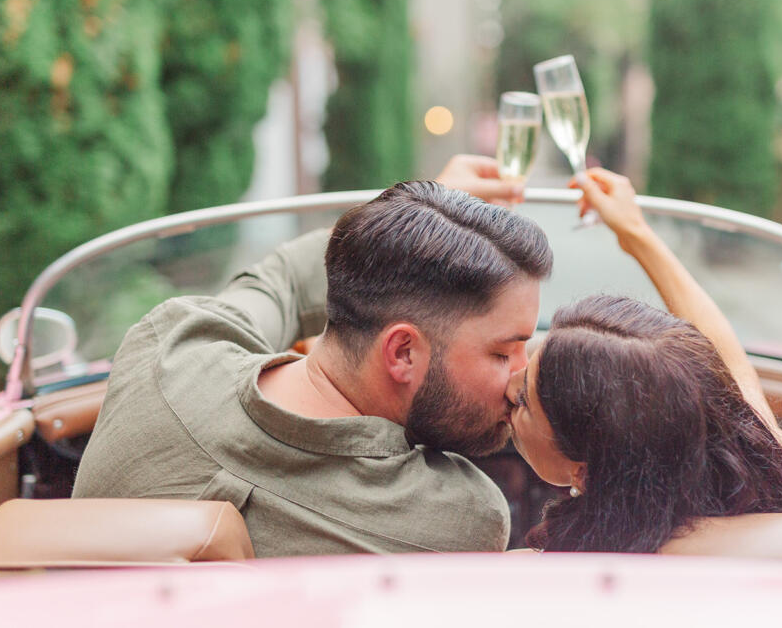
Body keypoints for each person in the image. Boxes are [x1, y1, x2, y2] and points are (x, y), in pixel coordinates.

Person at [73, 156, 551, 556]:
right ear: (402, 352)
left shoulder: (170, 345)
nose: (520, 375)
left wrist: (416, 229)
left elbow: (279, 280)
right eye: (503, 352)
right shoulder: (457, 519)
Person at [506, 169, 782, 553]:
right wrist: (634, 231)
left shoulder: (537, 572)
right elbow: (729, 361)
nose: (508, 384)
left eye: (524, 402)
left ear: (584, 473)